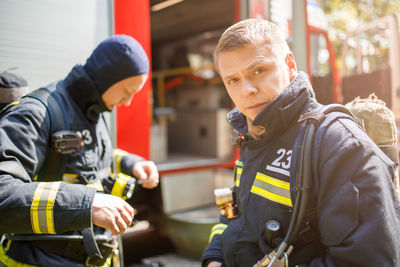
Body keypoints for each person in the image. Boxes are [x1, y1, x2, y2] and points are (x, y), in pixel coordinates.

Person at [202, 19, 400, 267]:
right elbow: (235, 217)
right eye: (233, 80)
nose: (247, 90)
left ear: (290, 65)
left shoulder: (340, 145)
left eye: (259, 70)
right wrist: (215, 258)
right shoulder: (253, 134)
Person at [0, 35, 159, 266]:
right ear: (108, 77)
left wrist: (131, 163)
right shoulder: (36, 112)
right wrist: (87, 204)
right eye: (128, 90)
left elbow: (89, 158)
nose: (127, 101)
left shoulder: (91, 110)